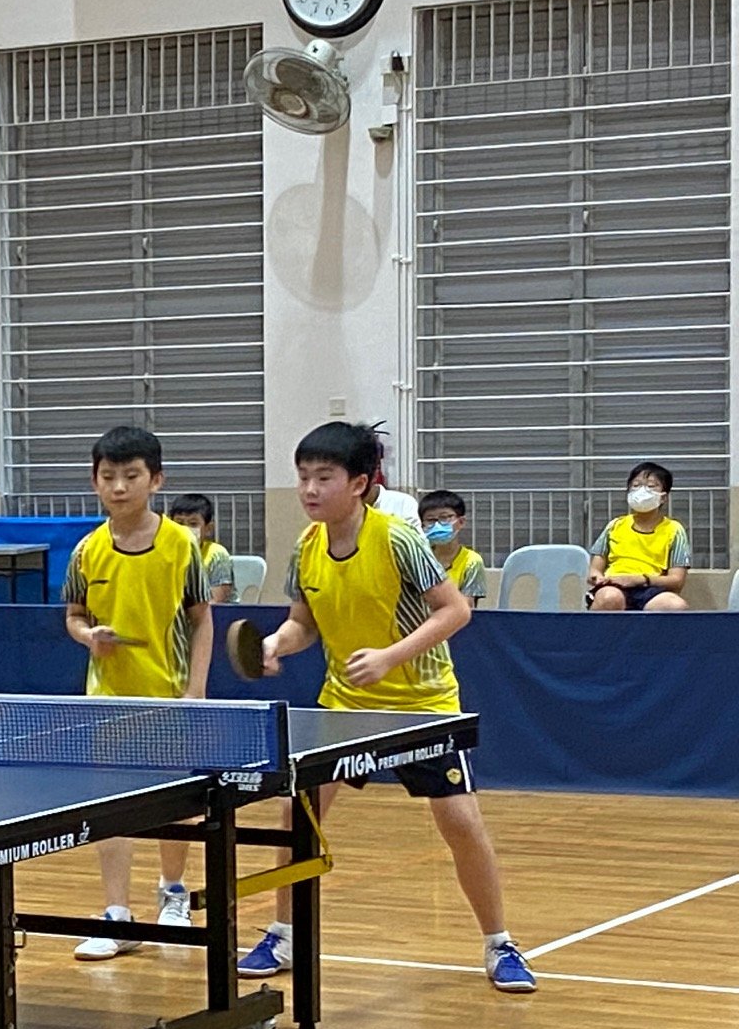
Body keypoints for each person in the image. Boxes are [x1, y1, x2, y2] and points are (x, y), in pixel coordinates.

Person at [237, 422, 535, 994]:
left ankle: (500, 944)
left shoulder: (398, 539)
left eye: (324, 477)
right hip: (344, 705)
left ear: (360, 483)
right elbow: (304, 624)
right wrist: (276, 643)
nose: (310, 490)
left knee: (460, 822)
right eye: (303, 477)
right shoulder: (305, 548)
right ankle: (285, 932)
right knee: (299, 816)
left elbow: (454, 612)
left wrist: (390, 657)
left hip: (419, 704)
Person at [61, 426, 212, 959]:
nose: (119, 487)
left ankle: (173, 895)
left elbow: (201, 620)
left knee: (178, 806)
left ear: (156, 480)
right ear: (95, 481)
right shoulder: (86, 551)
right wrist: (88, 637)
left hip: (169, 697)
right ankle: (116, 914)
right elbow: (74, 617)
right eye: (109, 477)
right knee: (112, 807)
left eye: (131, 476)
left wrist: (195, 691)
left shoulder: (180, 545)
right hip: (108, 701)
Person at [588, 462, 690, 612]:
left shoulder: (674, 530)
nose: (642, 491)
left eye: (651, 486)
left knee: (676, 606)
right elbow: (594, 570)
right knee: (610, 598)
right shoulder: (615, 525)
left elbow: (677, 580)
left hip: (650, 588)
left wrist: (640, 579)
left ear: (664, 497)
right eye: (636, 485)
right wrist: (597, 577)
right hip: (614, 586)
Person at [417, 490, 486, 604]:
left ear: (461, 522)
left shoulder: (472, 561)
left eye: (444, 518)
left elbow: (467, 606)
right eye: (430, 520)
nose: (437, 525)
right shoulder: (419, 557)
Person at [166, 494, 237, 604]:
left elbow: (215, 601)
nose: (185, 529)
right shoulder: (164, 553)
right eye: (179, 523)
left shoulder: (217, 555)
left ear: (208, 529)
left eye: (193, 524)